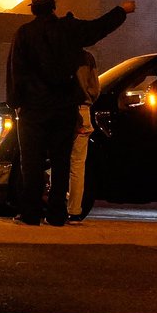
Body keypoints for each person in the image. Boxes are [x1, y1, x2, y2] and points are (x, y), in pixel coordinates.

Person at [6, 0, 135, 226]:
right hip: (63, 108)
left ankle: (31, 213)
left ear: (33, 8)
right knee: (61, 162)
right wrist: (122, 10)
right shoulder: (68, 29)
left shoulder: (23, 34)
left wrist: (16, 103)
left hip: (33, 110)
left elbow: (16, 71)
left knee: (31, 163)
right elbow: (97, 28)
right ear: (53, 6)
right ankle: (56, 214)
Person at [66, 50, 99, 223]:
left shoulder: (58, 52)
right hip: (83, 110)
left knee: (58, 161)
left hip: (62, 112)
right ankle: (75, 211)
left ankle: (56, 206)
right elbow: (95, 89)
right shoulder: (88, 58)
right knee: (78, 165)